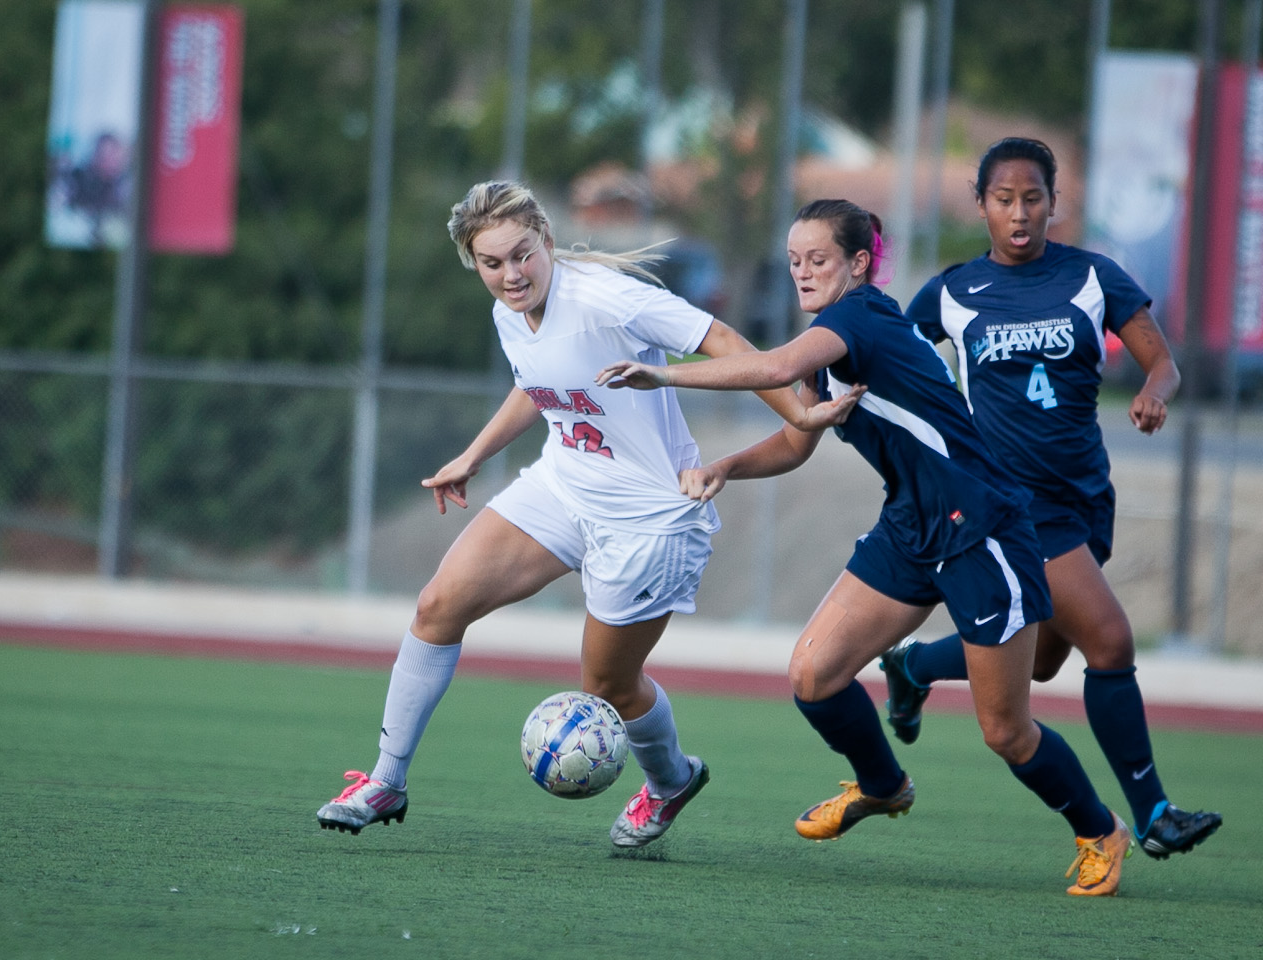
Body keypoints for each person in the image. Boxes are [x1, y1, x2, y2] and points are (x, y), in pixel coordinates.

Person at [597, 198, 1134, 896]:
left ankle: (1100, 829)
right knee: (814, 675)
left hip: (982, 527)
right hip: (912, 523)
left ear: (857, 264)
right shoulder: (828, 344)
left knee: (1005, 731)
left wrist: (665, 371)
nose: (802, 272)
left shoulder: (860, 315)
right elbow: (797, 438)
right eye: (793, 261)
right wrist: (727, 465)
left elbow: (771, 368)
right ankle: (883, 785)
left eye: (817, 259)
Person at [316, 180, 858, 848]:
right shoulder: (509, 312)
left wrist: (799, 413)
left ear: (545, 241)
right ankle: (385, 780)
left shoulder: (606, 298)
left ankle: (671, 781)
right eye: (493, 263)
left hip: (652, 519)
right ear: (474, 264)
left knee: (608, 682)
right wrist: (475, 454)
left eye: (522, 255)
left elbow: (714, 335)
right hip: (565, 488)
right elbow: (537, 381)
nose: (511, 274)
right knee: (436, 607)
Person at [877, 137, 1222, 859]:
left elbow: (1162, 362)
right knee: (1111, 639)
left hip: (1085, 498)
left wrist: (1155, 394)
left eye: (1033, 197)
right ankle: (1153, 812)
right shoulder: (952, 291)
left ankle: (911, 667)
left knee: (1036, 662)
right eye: (1004, 200)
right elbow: (895, 359)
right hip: (1010, 505)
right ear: (982, 206)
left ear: (1054, 202)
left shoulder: (1094, 278)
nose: (1020, 213)